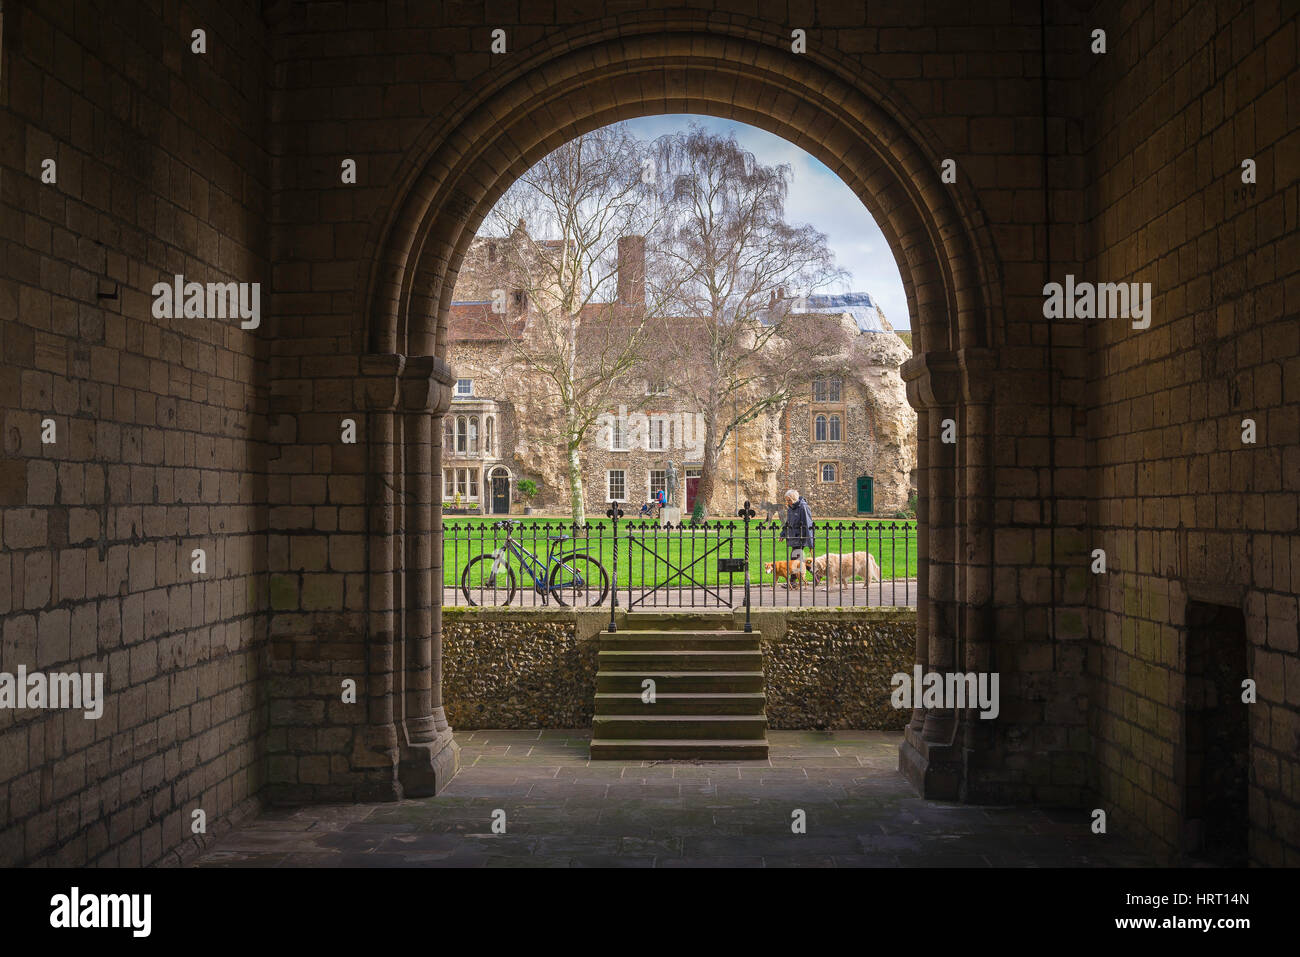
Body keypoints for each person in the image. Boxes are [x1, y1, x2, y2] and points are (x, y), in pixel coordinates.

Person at [780, 488, 814, 588]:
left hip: (800, 538)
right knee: (799, 560)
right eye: (786, 500)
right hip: (792, 537)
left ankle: (793, 581)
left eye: (789, 500)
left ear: (794, 499)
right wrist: (783, 534)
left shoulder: (803, 507)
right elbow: (788, 523)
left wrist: (810, 543)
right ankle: (816, 573)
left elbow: (809, 525)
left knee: (794, 559)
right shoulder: (791, 508)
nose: (787, 502)